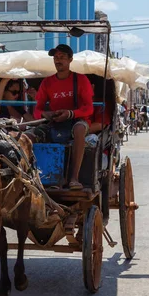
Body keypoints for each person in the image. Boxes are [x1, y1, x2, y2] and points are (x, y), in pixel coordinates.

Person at [27, 44, 94, 190]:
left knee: (80, 129)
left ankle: (74, 178)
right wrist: (46, 114)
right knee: (28, 136)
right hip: (54, 122)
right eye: (56, 57)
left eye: (62, 57)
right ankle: (29, 177)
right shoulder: (47, 82)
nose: (58, 60)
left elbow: (89, 108)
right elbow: (37, 110)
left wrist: (70, 113)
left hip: (76, 120)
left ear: (70, 59)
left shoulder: (81, 80)